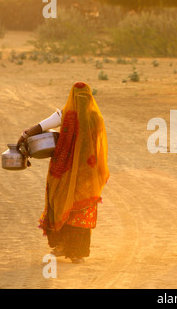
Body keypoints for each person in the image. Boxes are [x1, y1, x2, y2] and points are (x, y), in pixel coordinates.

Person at [17, 82, 109, 263]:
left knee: (61, 205)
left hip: (64, 172)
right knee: (80, 210)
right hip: (87, 174)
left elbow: (38, 128)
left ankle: (62, 247)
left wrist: (23, 138)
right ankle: (76, 252)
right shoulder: (95, 117)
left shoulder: (65, 115)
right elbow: (99, 146)